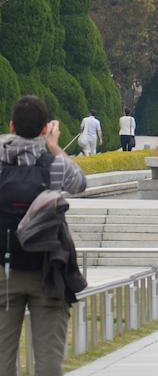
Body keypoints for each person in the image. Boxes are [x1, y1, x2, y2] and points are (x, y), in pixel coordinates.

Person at [0, 95, 87, 376]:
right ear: (44, 129)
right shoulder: (54, 165)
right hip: (48, 269)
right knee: (49, 361)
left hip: (4, 269)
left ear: (11, 126)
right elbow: (80, 183)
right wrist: (53, 145)